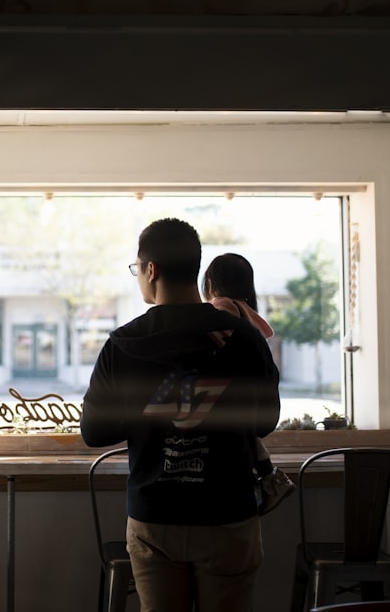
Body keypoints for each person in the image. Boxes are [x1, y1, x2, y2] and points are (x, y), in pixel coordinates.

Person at [81, 218, 281, 612]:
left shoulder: (124, 344)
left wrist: (148, 408)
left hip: (156, 518)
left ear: (150, 269)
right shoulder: (243, 336)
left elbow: (94, 431)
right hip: (228, 514)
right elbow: (264, 422)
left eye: (136, 268)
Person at [203, 252, 296, 515]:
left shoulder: (221, 307)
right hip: (250, 401)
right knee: (249, 439)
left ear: (210, 283)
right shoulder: (245, 311)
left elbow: (214, 340)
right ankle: (271, 480)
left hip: (228, 396)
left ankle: (271, 480)